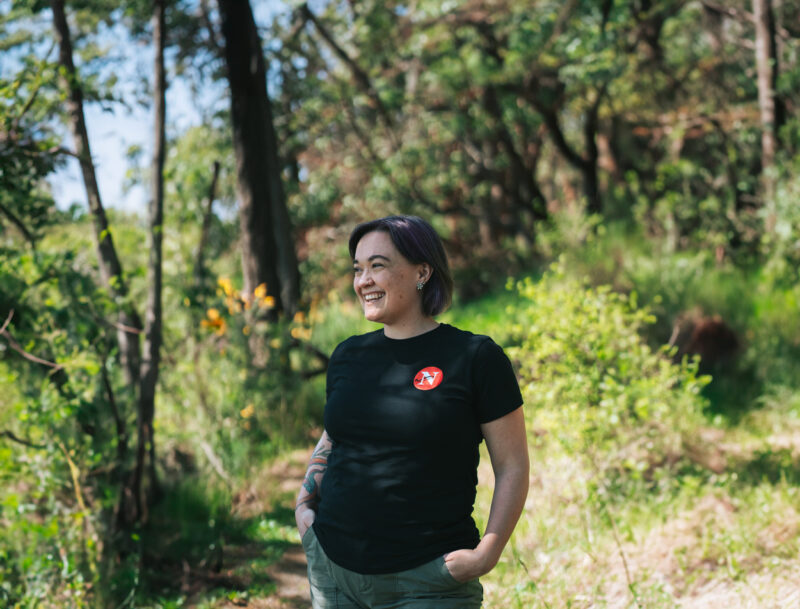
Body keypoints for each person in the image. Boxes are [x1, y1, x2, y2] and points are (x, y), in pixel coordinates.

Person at [295, 215, 529, 608]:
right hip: (333, 573)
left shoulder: (475, 357)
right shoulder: (348, 355)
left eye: (378, 266)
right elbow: (337, 434)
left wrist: (487, 552)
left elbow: (513, 466)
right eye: (357, 269)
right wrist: (304, 503)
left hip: (428, 582)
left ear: (422, 271)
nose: (363, 280)